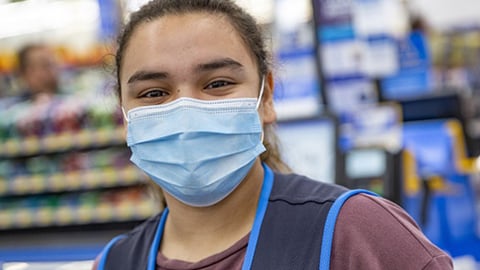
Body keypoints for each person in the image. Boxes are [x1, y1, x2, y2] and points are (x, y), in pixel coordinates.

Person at [93, 0, 453, 269]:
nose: (186, 110)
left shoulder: (356, 231)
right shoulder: (114, 262)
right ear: (125, 115)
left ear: (265, 97)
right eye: (154, 93)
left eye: (218, 83)